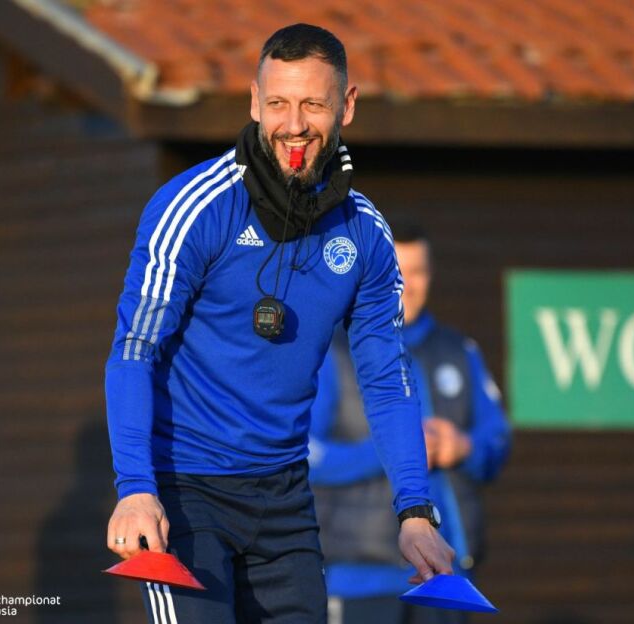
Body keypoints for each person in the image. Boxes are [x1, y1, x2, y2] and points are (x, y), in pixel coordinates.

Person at [104, 24, 453, 624]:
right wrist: (135, 488)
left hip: (285, 501)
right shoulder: (193, 209)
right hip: (184, 494)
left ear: (346, 106)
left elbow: (386, 377)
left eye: (313, 104)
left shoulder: (365, 234)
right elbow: (135, 349)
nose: (294, 125)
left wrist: (415, 510)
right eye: (278, 104)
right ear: (253, 102)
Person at [309, 221, 511, 624]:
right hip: (358, 577)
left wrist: (463, 447)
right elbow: (302, 454)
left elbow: (497, 439)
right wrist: (399, 448)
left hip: (446, 576)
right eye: (396, 272)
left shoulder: (457, 350)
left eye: (417, 272)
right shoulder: (333, 350)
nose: (407, 285)